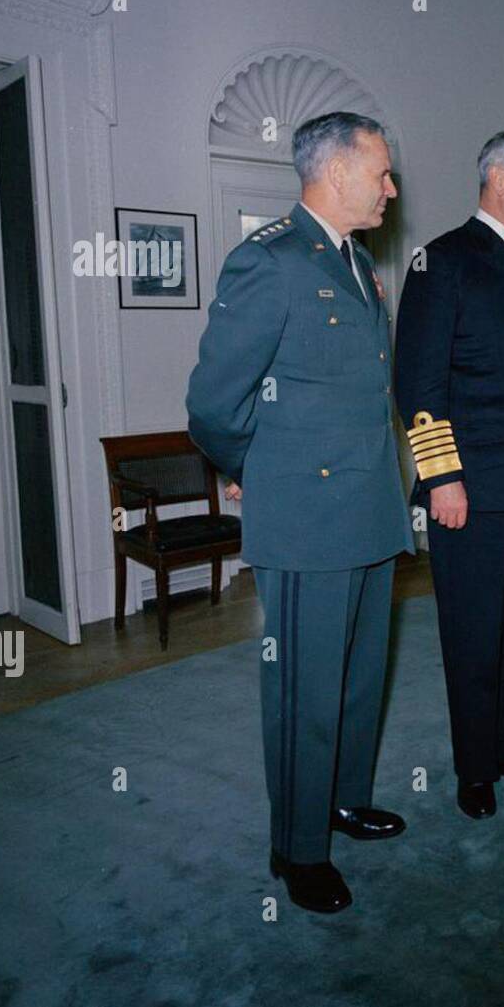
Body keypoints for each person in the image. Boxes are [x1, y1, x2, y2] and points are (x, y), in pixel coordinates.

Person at [186, 111, 412, 913]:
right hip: (309, 513)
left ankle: (343, 802)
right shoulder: (272, 261)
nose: (392, 187)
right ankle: (298, 847)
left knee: (358, 679)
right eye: (382, 172)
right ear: (337, 170)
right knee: (305, 690)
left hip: (371, 504)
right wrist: (258, 468)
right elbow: (213, 403)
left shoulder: (354, 261)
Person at [394, 130, 504, 818]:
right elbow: (418, 382)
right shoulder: (442, 260)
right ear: (498, 180)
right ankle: (475, 770)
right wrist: (442, 479)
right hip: (472, 488)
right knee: (473, 634)